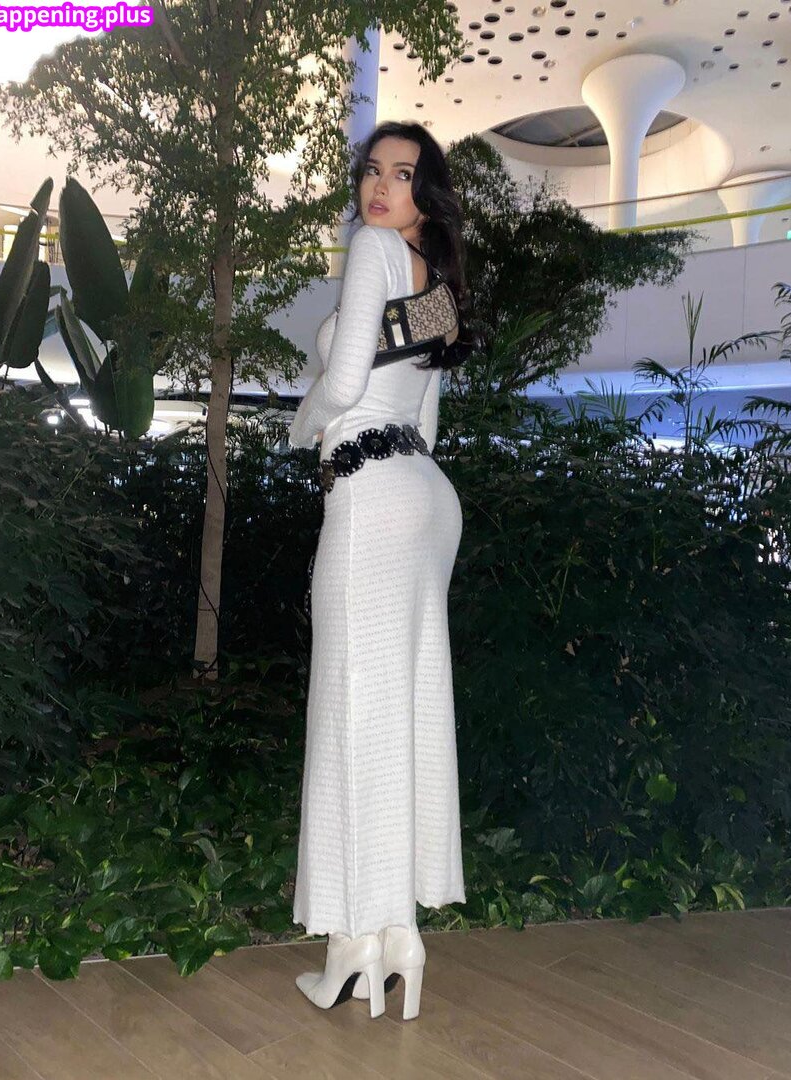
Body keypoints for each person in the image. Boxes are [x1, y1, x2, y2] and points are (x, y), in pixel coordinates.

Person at [287, 120, 472, 1022]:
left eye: (401, 174)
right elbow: (427, 419)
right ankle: (396, 935)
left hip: (368, 491)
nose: (378, 188)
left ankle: (356, 942)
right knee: (402, 711)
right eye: (372, 171)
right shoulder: (437, 286)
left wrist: (300, 426)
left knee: (351, 710)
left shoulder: (371, 250)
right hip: (427, 496)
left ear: (424, 194)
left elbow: (348, 381)